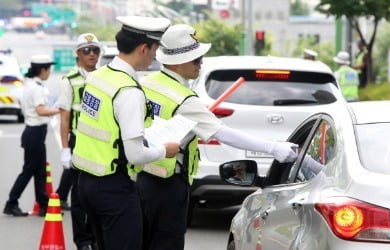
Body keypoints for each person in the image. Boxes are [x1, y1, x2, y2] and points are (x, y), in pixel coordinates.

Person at [136, 24, 298, 250]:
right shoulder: (185, 100)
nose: (201, 63)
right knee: (166, 243)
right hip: (168, 185)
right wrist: (273, 148)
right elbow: (223, 134)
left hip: (140, 178)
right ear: (179, 61)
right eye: (196, 59)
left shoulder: (146, 84)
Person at [71, 16, 180, 250]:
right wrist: (165, 150)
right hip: (114, 188)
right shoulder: (129, 91)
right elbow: (135, 154)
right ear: (143, 48)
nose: (155, 55)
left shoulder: (98, 76)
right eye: (155, 49)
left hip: (87, 183)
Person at [56, 33, 100, 250]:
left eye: (95, 50)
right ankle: (82, 240)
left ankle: (95, 236)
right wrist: (65, 149)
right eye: (86, 50)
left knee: (98, 193)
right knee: (80, 195)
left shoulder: (104, 77)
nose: (91, 54)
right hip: (79, 141)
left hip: (101, 144)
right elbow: (64, 116)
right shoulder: (70, 80)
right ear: (78, 53)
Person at [3, 54, 59, 217]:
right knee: (29, 170)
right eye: (49, 68)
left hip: (34, 132)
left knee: (40, 171)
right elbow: (40, 110)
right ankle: (11, 202)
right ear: (42, 70)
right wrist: (61, 110)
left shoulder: (32, 85)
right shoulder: (36, 88)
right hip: (34, 132)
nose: (49, 72)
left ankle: (43, 204)